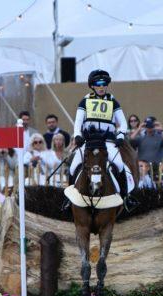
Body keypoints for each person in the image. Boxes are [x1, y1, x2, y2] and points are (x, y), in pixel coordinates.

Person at [66, 69, 137, 210]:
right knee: (73, 166)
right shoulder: (85, 101)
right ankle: (70, 200)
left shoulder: (113, 101)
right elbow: (78, 122)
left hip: (107, 141)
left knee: (120, 165)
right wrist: (78, 135)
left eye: (104, 84)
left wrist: (121, 135)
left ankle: (125, 198)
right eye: (98, 84)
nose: (101, 87)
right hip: (89, 141)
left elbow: (123, 123)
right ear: (92, 85)